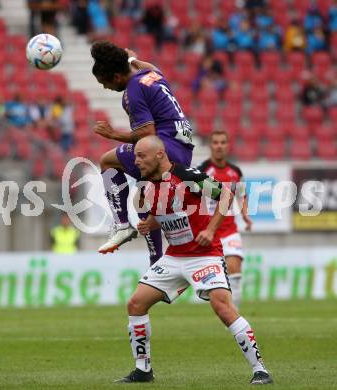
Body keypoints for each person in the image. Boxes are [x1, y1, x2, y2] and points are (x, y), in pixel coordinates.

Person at [114, 135, 272, 385]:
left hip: (203, 256)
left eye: (141, 156)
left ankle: (260, 369)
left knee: (223, 309)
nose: (136, 161)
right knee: (135, 304)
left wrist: (210, 230)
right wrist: (149, 223)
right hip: (174, 257)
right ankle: (143, 370)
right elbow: (167, 212)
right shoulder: (147, 183)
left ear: (159, 155)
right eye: (135, 157)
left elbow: (226, 196)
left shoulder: (189, 177)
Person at [90, 40, 194, 264]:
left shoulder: (132, 91)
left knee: (107, 161)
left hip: (165, 149)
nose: (105, 88)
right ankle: (156, 260)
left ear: (116, 77)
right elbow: (151, 66)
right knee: (143, 195)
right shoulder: (150, 74)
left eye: (105, 83)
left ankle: (122, 225)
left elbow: (147, 133)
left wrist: (113, 134)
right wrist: (131, 59)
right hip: (183, 149)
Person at [197, 130, 252, 309]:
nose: (219, 146)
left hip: (229, 231)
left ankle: (234, 318)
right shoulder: (202, 171)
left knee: (235, 273)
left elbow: (242, 195)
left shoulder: (235, 172)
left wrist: (245, 215)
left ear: (228, 146)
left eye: (222, 142)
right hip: (207, 233)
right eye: (215, 142)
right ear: (210, 146)